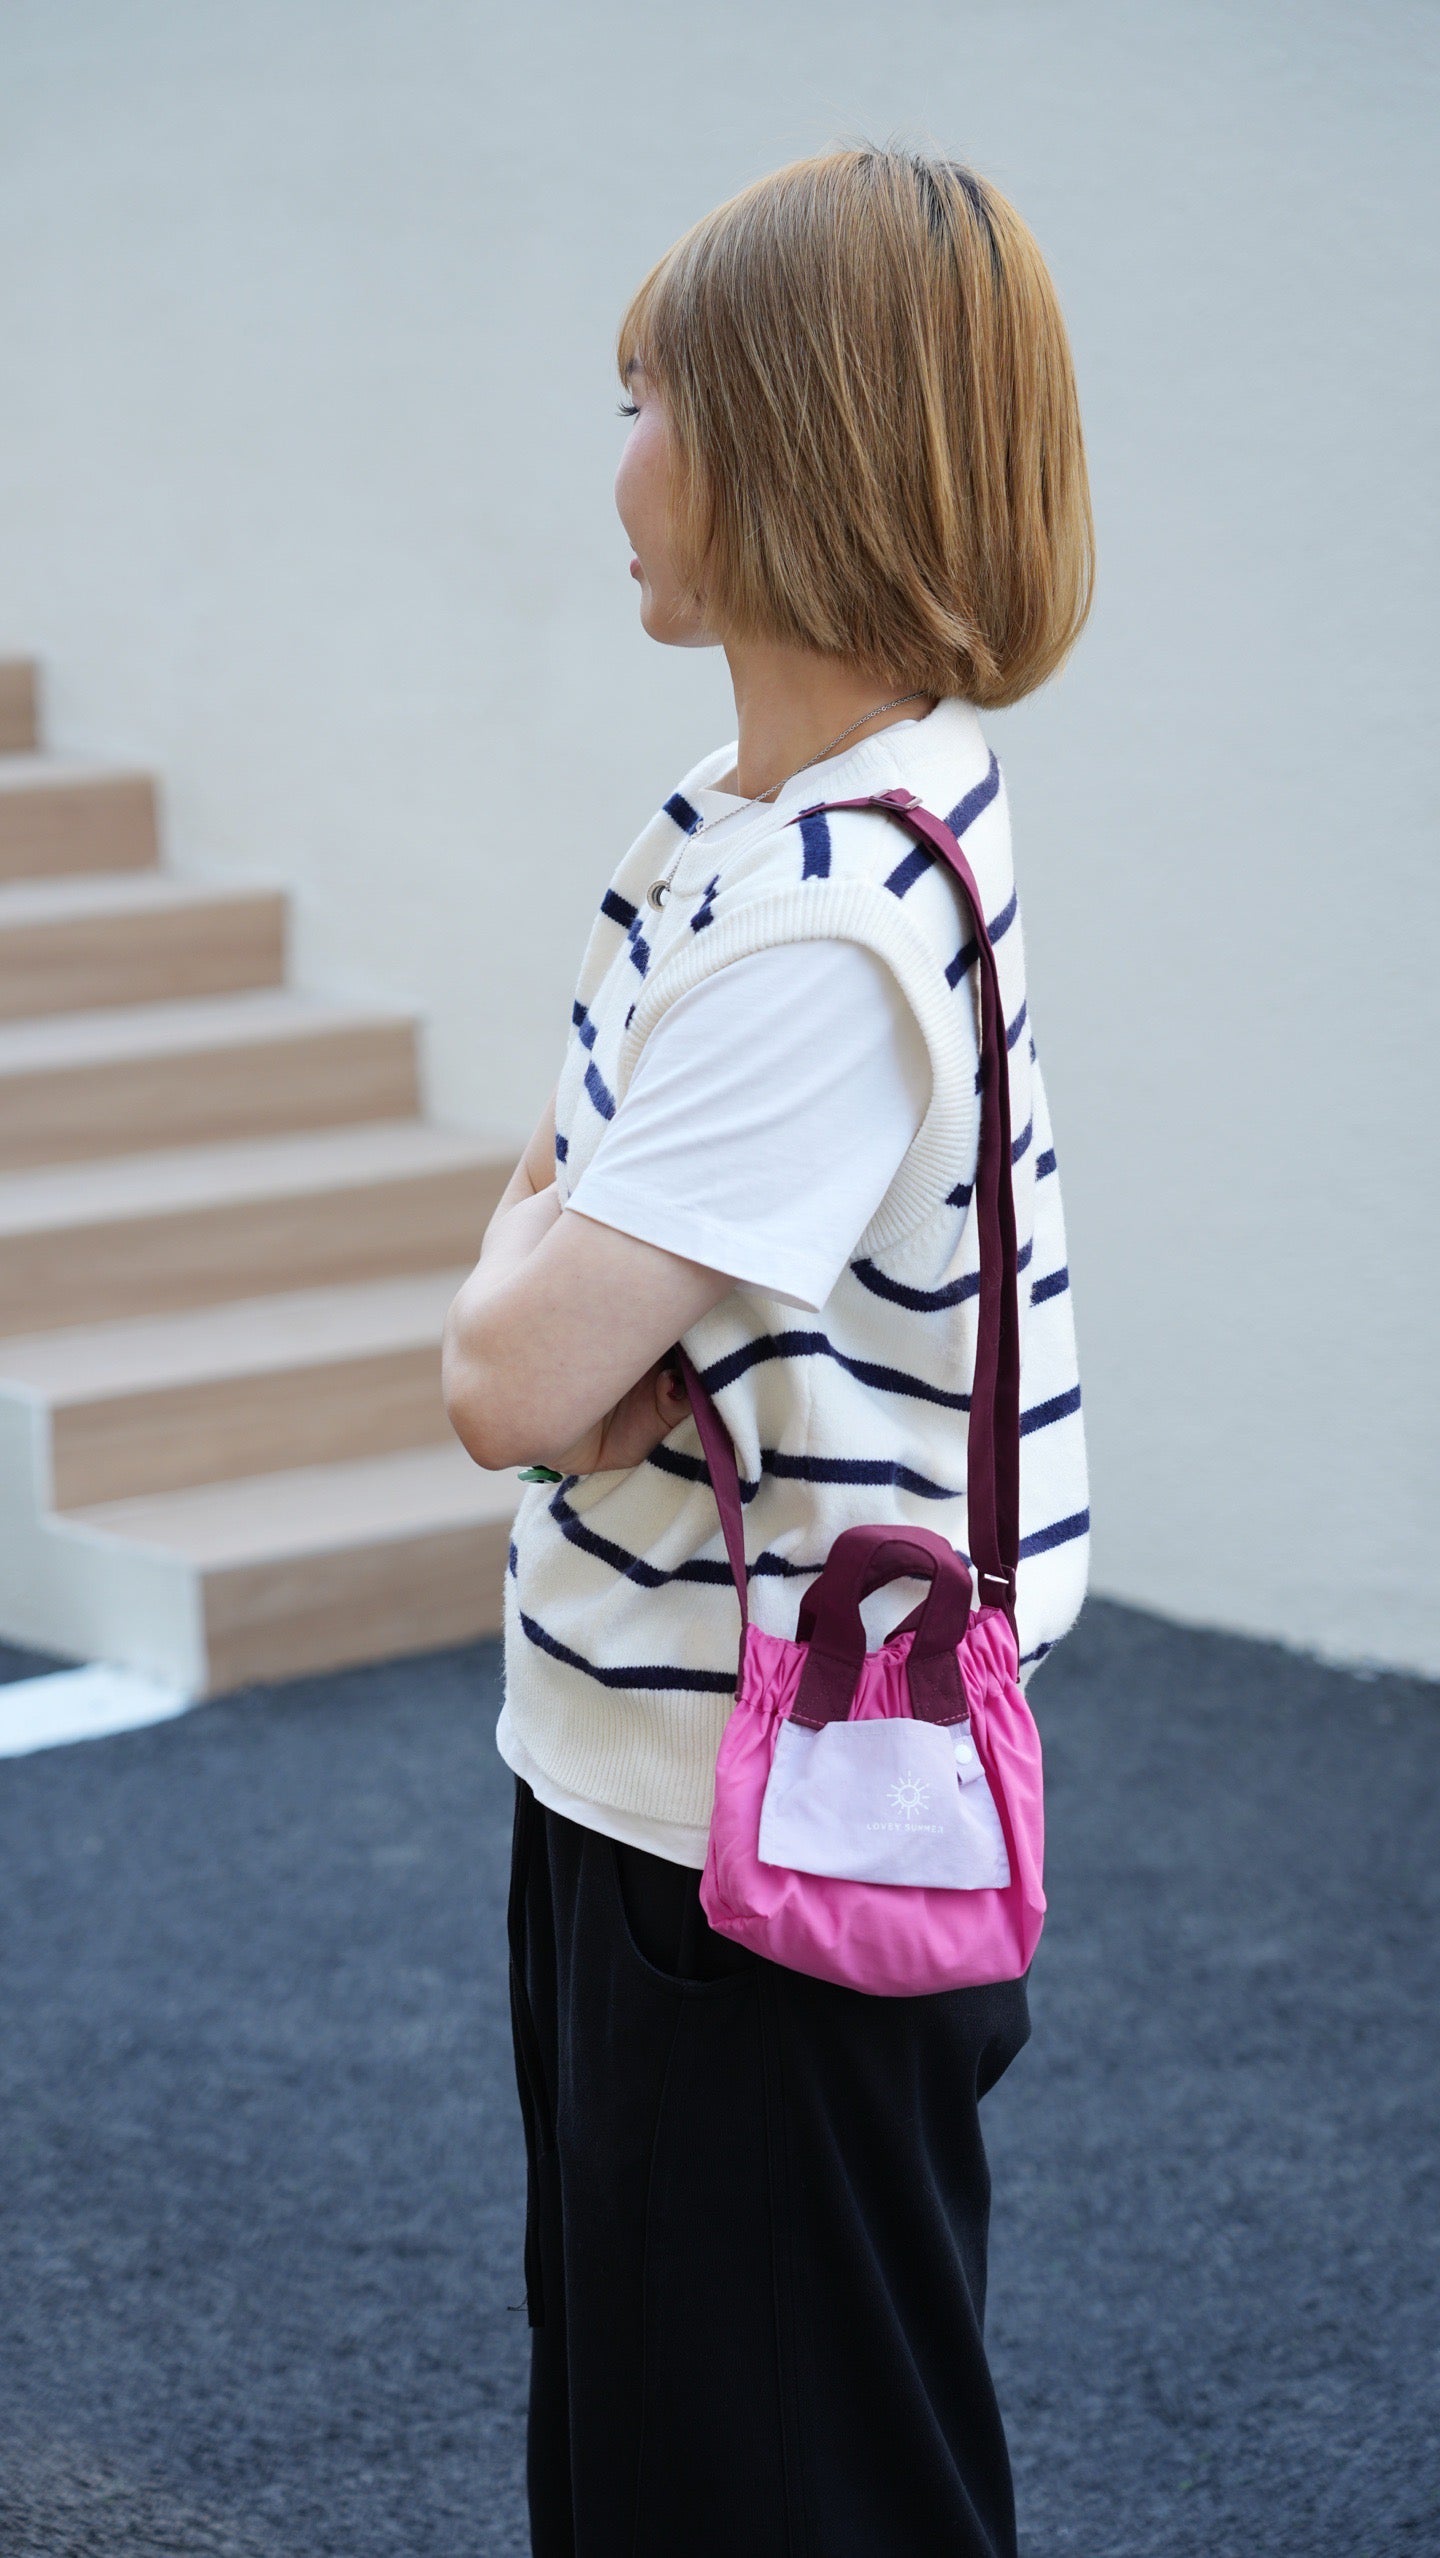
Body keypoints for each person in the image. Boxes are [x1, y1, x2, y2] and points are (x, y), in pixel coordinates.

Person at [443, 145, 1092, 2558]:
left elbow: (510, 1379)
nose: (612, 458)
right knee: (672, 2443)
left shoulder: (816, 925)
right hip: (664, 1781)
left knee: (771, 2482)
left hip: (743, 1842)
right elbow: (534, 1280)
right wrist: (542, 1273)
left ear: (786, 437)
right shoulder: (754, 821)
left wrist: (537, 1285)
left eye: (645, 393)